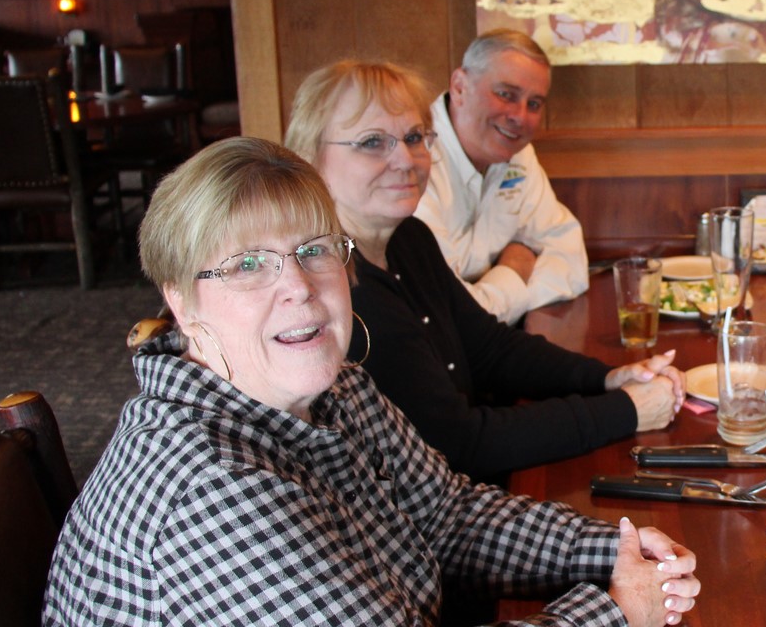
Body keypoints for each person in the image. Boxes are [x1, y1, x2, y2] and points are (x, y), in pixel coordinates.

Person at [41, 137, 700, 627]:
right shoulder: (205, 488)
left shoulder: (338, 391)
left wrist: (611, 547)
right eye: (247, 265)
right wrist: (614, 617)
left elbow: (449, 515)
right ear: (182, 303)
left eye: (313, 250)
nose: (297, 286)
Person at [284, 59, 684, 484]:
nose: (405, 159)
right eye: (371, 142)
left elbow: (490, 348)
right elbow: (460, 442)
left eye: (414, 137)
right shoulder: (334, 285)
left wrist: (606, 377)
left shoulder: (409, 239)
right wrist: (628, 409)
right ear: (310, 155)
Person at [416, 30, 586, 324]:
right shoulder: (411, 159)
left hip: (492, 347)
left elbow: (571, 262)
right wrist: (515, 269)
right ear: (459, 87)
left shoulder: (518, 154)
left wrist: (492, 298)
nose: (520, 117)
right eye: (506, 94)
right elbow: (445, 312)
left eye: (534, 104)